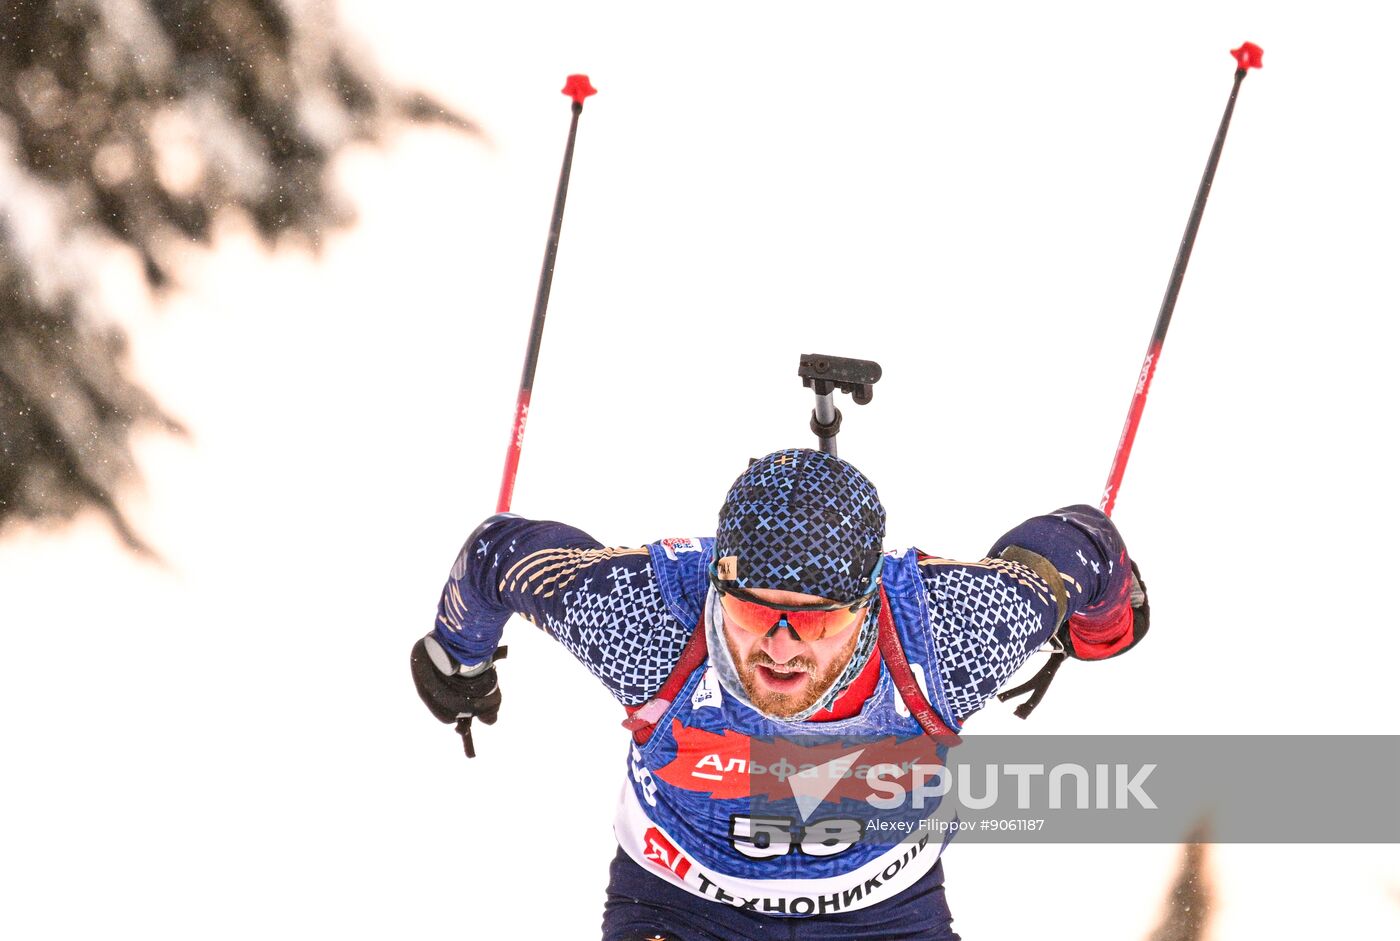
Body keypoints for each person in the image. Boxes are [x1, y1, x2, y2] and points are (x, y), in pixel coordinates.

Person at [411, 448, 1148, 940]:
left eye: (819, 615)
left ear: (868, 601)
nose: (783, 645)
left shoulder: (946, 635)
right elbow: (497, 554)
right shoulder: (649, 622)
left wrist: (1107, 618)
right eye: (756, 608)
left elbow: (1077, 546)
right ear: (718, 585)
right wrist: (459, 657)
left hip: (883, 916)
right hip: (682, 908)